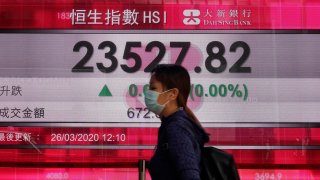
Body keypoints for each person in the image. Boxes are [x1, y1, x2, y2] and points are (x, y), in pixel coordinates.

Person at [144, 64, 209, 180]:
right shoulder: (173, 124)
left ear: (173, 94)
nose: (148, 93)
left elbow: (190, 175)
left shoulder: (176, 128)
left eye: (153, 88)